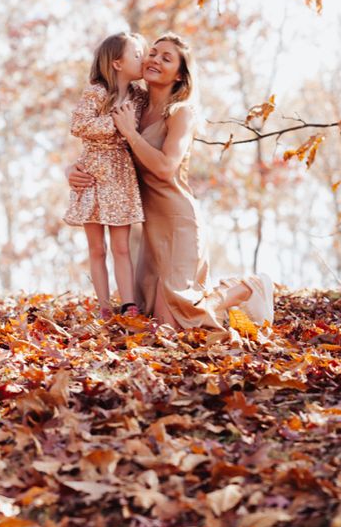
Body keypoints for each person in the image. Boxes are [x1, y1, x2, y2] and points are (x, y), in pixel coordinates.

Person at [69, 32, 273, 334]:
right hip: (150, 225)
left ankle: (248, 287)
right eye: (152, 53)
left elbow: (165, 168)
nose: (153, 60)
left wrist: (131, 134)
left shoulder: (181, 113)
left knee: (175, 321)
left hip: (178, 221)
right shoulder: (134, 104)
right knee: (151, 316)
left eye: (167, 58)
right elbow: (104, 148)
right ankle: (216, 299)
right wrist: (71, 169)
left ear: (179, 75)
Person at [64, 32, 147, 319]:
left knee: (121, 246)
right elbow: (78, 125)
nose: (143, 58)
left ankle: (128, 303)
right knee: (97, 247)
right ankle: (103, 305)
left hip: (121, 175)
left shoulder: (139, 97)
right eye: (136, 54)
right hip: (94, 174)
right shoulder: (96, 92)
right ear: (117, 63)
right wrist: (115, 122)